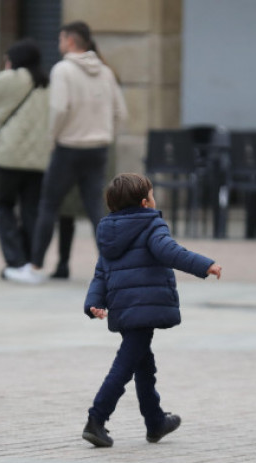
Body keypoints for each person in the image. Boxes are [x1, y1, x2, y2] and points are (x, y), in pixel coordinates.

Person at [81, 173, 222, 447]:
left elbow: (101, 272)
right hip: (143, 309)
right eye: (153, 195)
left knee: (144, 365)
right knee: (124, 367)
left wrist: (93, 303)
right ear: (146, 203)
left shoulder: (109, 233)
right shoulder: (151, 225)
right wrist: (204, 265)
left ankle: (155, 421)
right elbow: (170, 251)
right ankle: (96, 420)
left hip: (124, 310)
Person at [5, 21, 128, 284]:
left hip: (69, 148)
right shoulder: (105, 72)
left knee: (48, 205)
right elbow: (121, 112)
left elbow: (59, 109)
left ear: (70, 41)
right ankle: (114, 269)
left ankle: (35, 267)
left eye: (61, 39)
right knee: (97, 209)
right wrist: (106, 134)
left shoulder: (63, 70)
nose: (59, 43)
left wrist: (54, 137)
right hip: (98, 149)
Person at [0, 39, 53, 278]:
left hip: (10, 156)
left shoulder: (11, 78)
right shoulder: (48, 81)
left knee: (3, 205)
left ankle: (15, 261)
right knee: (32, 209)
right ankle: (31, 262)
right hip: (40, 158)